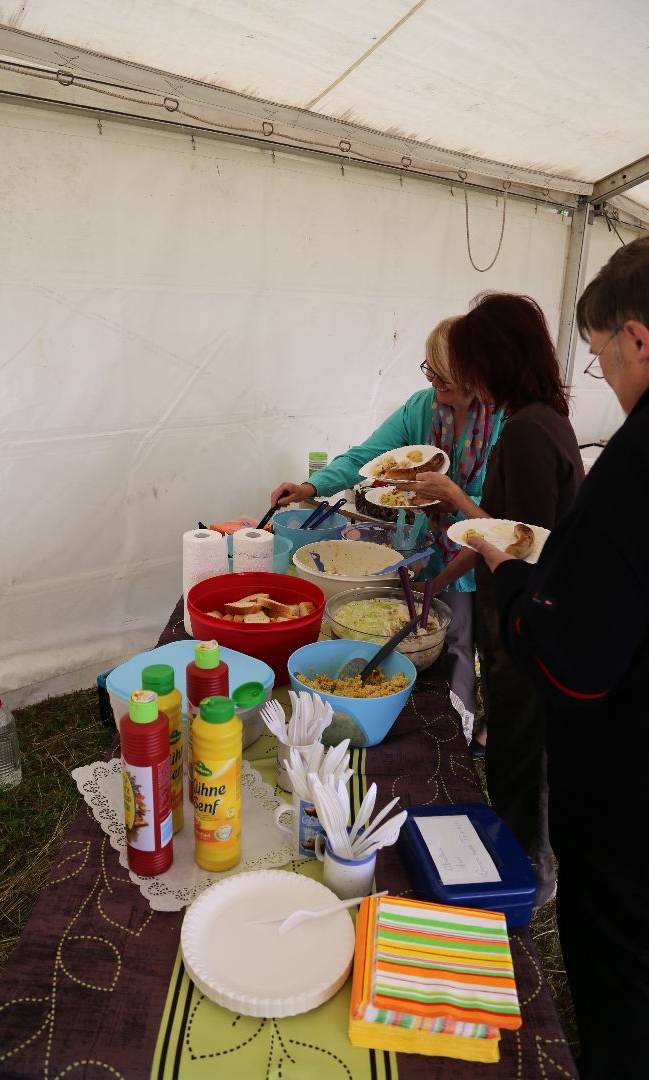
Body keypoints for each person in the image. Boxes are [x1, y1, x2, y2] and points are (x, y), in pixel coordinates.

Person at [467, 239, 649, 1079]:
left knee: (619, 999)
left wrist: (508, 580)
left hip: (621, 812)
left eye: (603, 350)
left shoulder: (629, 460)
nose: (602, 370)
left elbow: (576, 657)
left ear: (637, 339)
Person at [406, 293, 584, 907]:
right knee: (513, 753)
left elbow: (523, 546)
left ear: (496, 359)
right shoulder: (538, 419)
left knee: (518, 761)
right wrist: (434, 584)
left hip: (527, 632)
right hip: (516, 627)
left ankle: (527, 884)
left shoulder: (528, 431)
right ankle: (521, 870)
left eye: (473, 361)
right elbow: (494, 536)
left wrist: (455, 498)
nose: (466, 377)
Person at [270, 317, 503, 741]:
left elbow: (505, 513)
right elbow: (367, 456)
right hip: (421, 548)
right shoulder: (421, 408)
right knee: (415, 635)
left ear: (473, 371)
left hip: (479, 555)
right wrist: (309, 485)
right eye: (429, 369)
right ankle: (414, 725)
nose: (434, 381)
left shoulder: (503, 419)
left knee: (463, 644)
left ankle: (464, 733)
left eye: (443, 373)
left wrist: (453, 495)